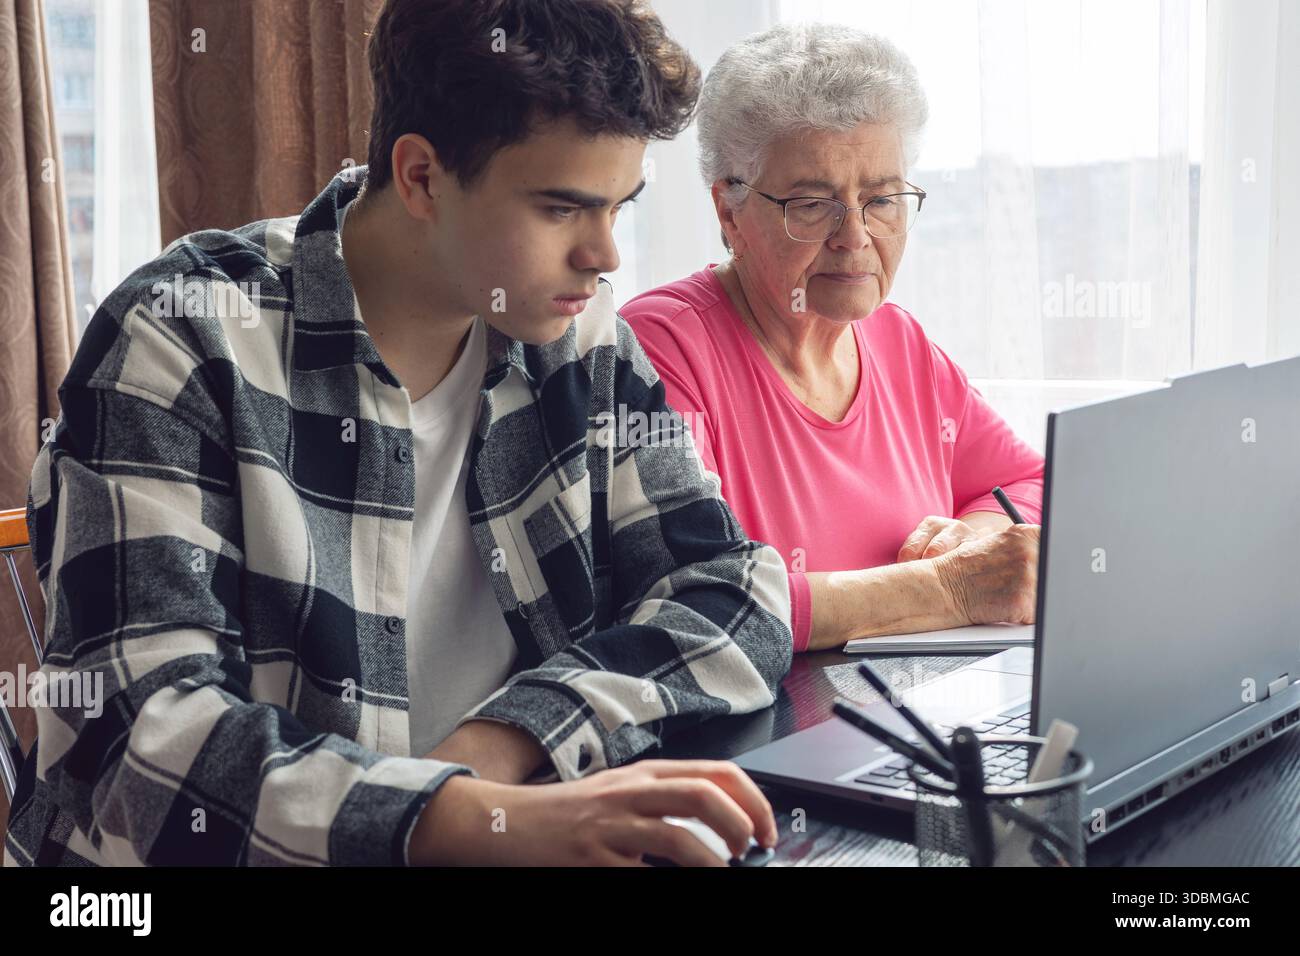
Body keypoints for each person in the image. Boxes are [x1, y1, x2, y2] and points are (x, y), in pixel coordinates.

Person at [4, 0, 791, 868]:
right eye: (562, 209)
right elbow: (145, 742)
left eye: (619, 207)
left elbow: (734, 588)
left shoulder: (579, 338)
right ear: (419, 176)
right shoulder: (178, 335)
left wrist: (501, 745)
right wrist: (452, 818)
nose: (604, 255)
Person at [621, 23, 1043, 654]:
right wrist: (950, 588)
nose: (855, 235)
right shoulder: (661, 346)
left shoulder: (898, 340)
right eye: (813, 203)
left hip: (919, 713)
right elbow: (694, 601)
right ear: (729, 211)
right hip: (761, 736)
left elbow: (1028, 486)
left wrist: (974, 538)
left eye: (882, 198)